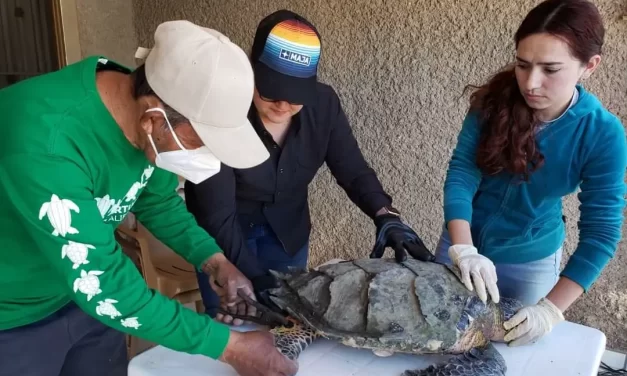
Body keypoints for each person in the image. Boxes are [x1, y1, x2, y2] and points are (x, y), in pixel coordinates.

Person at [0, 20, 298, 376]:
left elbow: (157, 202)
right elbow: (105, 284)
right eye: (200, 141)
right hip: (12, 316)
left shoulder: (145, 116)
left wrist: (214, 260)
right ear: (153, 115)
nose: (208, 158)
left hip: (78, 298)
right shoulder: (47, 143)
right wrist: (230, 347)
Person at [184, 9, 435, 323]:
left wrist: (386, 215)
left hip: (287, 234)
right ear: (251, 70)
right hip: (223, 238)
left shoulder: (323, 104)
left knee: (289, 325)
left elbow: (353, 169)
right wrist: (253, 277)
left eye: (295, 95)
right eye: (272, 90)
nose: (283, 104)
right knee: (232, 324)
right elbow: (217, 214)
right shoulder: (221, 108)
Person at [437, 0, 626, 348]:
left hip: (531, 262)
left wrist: (551, 309)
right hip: (462, 243)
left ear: (590, 66)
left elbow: (600, 235)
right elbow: (463, 172)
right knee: (442, 338)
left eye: (550, 69)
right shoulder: (494, 102)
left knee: (515, 352)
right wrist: (462, 247)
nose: (531, 83)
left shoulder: (602, 134)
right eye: (523, 65)